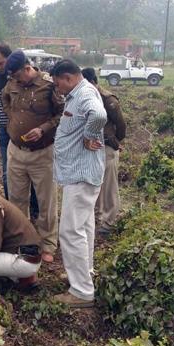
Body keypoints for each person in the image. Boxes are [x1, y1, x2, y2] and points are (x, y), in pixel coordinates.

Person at [50, 59, 107, 308]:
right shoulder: (78, 93)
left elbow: (100, 114)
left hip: (81, 174)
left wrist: (89, 136)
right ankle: (86, 272)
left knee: (70, 231)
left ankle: (82, 291)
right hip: (81, 172)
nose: (57, 87)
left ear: (68, 77)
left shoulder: (84, 94)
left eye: (58, 83)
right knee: (84, 227)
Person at [2, 50, 64, 264]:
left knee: (46, 200)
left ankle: (48, 243)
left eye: (18, 76)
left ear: (27, 69)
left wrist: (43, 129)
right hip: (16, 151)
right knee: (17, 200)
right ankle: (24, 241)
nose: (15, 80)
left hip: (42, 153)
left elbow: (61, 113)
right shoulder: (12, 84)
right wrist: (13, 122)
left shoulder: (48, 85)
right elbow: (5, 100)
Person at [0, 44, 39, 219]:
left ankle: (35, 209)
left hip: (27, 131)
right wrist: (5, 118)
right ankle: (13, 211)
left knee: (32, 170)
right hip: (5, 131)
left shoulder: (21, 76)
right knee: (9, 171)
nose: (0, 68)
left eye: (2, 63)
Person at [81, 68, 126, 236]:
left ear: (92, 81)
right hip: (91, 147)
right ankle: (98, 216)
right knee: (94, 183)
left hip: (107, 148)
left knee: (108, 187)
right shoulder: (84, 97)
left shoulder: (108, 100)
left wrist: (115, 141)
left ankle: (109, 221)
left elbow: (121, 126)